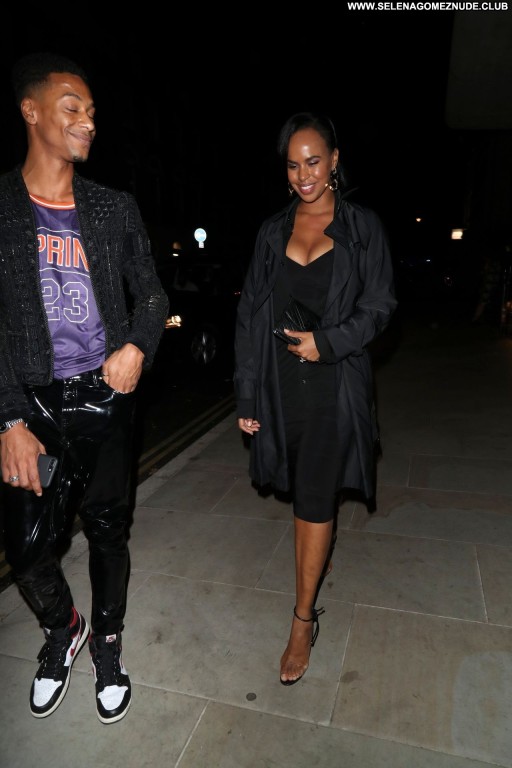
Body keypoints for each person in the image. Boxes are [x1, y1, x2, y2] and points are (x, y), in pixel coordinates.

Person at [0, 52, 169, 723]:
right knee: (27, 549)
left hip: (104, 397)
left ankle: (106, 642)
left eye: (92, 111)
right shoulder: (2, 206)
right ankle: (63, 627)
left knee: (107, 532)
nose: (88, 121)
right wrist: (8, 418)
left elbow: (151, 295)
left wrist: (136, 346)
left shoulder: (112, 207)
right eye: (72, 107)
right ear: (31, 110)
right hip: (34, 407)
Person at [234, 112, 397, 685]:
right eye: (292, 165)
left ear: (333, 161)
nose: (303, 174)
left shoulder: (362, 227)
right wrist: (247, 392)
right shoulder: (271, 232)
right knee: (299, 487)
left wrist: (325, 343)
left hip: (333, 385)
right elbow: (250, 314)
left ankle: (303, 620)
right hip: (280, 387)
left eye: (313, 161)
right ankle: (310, 584)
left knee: (313, 498)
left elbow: (379, 306)